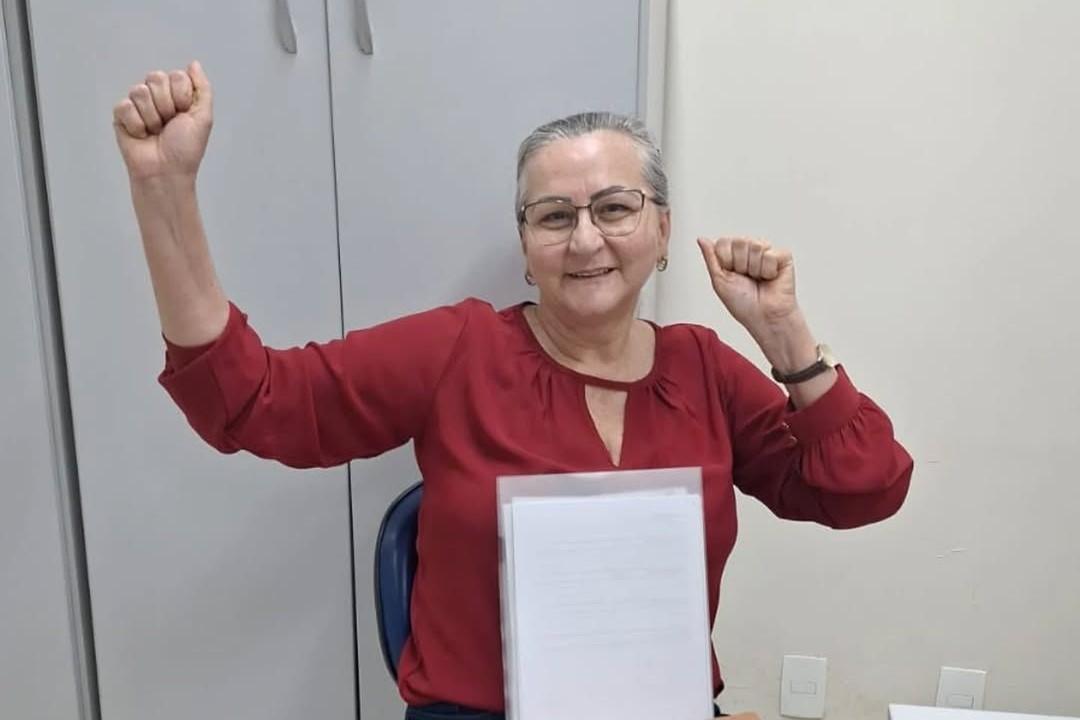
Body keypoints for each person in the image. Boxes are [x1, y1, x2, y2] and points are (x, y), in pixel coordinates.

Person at [113, 62, 913, 720]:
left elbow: (863, 489)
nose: (587, 239)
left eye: (615, 208)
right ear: (526, 247)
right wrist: (163, 191)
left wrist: (784, 336)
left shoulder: (703, 367)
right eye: (555, 217)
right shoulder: (458, 349)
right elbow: (251, 402)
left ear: (663, 230)